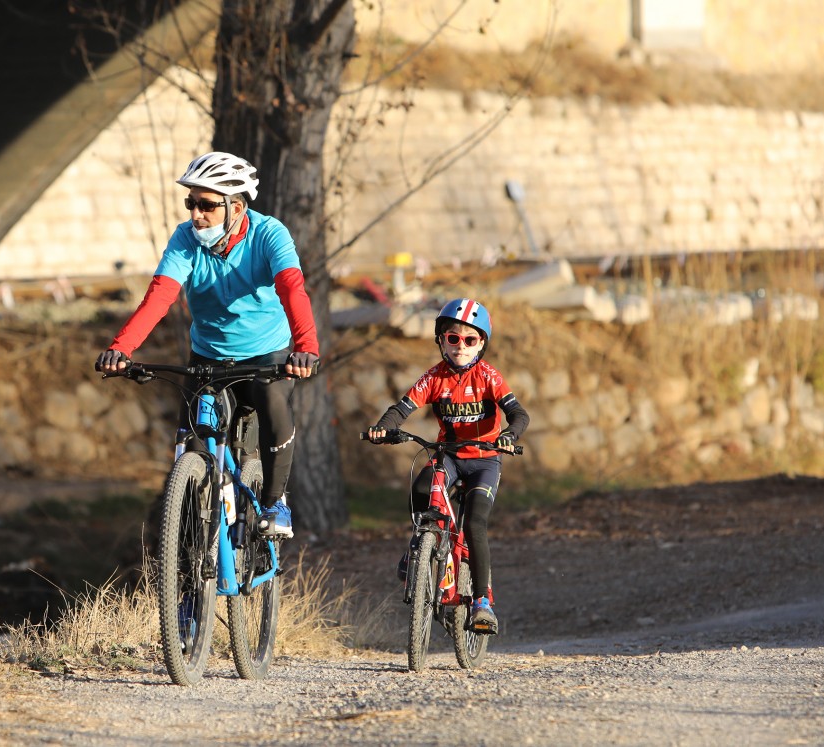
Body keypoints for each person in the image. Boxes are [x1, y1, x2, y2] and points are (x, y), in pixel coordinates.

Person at [95, 151, 320, 538]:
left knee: (271, 403)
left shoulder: (270, 235)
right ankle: (190, 551)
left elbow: (292, 289)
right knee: (191, 443)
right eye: (191, 204)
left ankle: (275, 502)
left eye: (207, 206)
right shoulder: (186, 240)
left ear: (236, 207)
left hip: (267, 353)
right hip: (208, 356)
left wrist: (307, 348)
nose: (196, 214)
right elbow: (160, 296)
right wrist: (122, 347)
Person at [366, 298, 529, 633]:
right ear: (441, 340)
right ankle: (418, 547)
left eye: (469, 340)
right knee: (420, 487)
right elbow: (401, 408)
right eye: (452, 338)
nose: (460, 346)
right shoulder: (433, 378)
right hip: (450, 456)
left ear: (482, 343)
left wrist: (510, 435)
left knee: (475, 524)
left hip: (485, 461)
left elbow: (519, 414)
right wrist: (383, 427)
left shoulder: (489, 377)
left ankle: (482, 602)